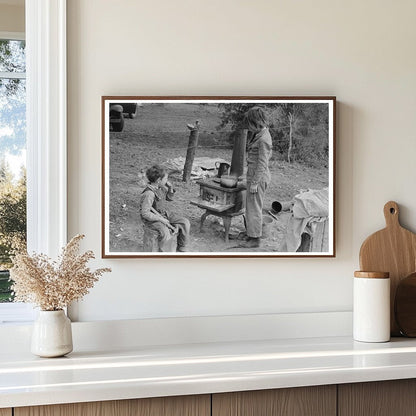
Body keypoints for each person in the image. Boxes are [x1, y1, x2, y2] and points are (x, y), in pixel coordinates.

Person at [241, 106, 273, 248]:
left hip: (258, 178)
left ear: (256, 122)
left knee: (254, 208)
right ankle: (251, 233)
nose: (249, 127)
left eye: (250, 124)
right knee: (251, 206)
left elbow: (262, 163)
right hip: (254, 175)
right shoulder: (259, 134)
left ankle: (255, 239)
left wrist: (254, 182)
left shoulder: (264, 139)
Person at [140, 165, 190, 252]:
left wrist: (170, 188)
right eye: (166, 179)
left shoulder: (161, 188)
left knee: (184, 222)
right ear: (159, 180)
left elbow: (169, 199)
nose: (167, 180)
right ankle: (165, 254)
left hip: (163, 214)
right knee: (166, 233)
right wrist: (161, 220)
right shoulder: (149, 194)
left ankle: (182, 248)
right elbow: (145, 213)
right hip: (152, 220)